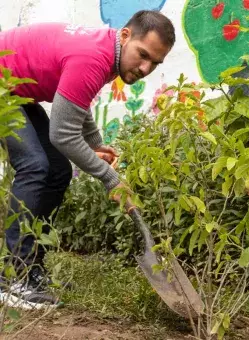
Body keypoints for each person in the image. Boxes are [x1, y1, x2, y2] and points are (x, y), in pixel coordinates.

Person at [0, 10, 175, 309]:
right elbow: (63, 135)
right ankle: (10, 278)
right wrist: (111, 179)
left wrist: (96, 144)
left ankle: (30, 269)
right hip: (5, 89)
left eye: (154, 63)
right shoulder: (94, 57)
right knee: (36, 166)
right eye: (143, 55)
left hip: (14, 91)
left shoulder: (108, 53)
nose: (145, 68)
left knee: (57, 171)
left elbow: (75, 101)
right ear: (125, 35)